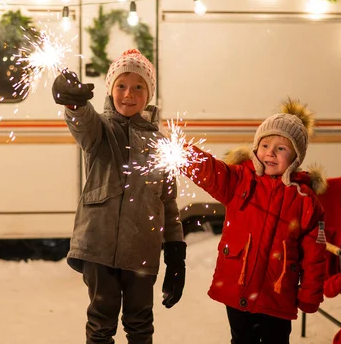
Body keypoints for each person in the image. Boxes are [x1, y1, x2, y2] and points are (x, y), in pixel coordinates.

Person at [52, 49, 186, 344]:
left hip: (142, 247)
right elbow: (82, 122)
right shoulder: (99, 129)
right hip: (98, 245)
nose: (129, 94)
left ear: (148, 94)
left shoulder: (161, 142)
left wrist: (176, 253)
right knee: (101, 322)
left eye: (139, 86)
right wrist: (74, 103)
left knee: (140, 324)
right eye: (121, 85)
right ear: (111, 89)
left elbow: (167, 201)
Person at [182, 99, 326, 344]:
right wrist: (183, 153)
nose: (270, 152)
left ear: (296, 157)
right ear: (256, 147)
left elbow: (315, 252)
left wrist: (310, 292)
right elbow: (210, 171)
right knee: (241, 339)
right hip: (238, 283)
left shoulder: (305, 200)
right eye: (266, 144)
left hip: (276, 292)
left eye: (281, 148)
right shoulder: (238, 180)